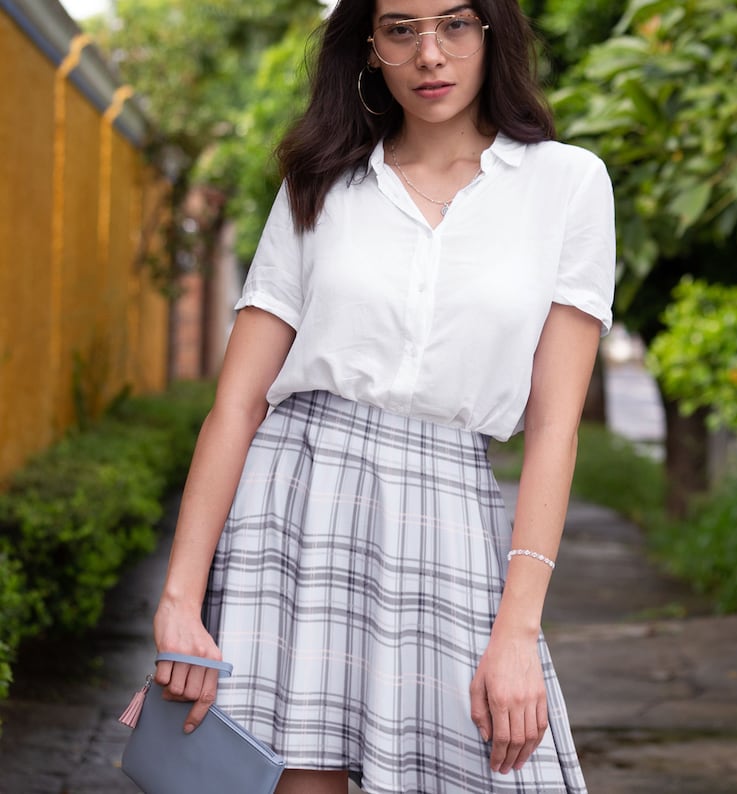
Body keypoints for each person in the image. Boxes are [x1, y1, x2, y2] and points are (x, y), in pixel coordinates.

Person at [152, 0, 615, 792]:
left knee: (492, 767)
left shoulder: (567, 186)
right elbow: (237, 403)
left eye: (455, 26)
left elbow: (553, 429)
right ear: (369, 48)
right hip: (294, 507)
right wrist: (178, 599)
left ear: (491, 35)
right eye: (402, 30)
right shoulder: (321, 183)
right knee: (294, 779)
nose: (430, 53)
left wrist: (519, 628)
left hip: (450, 515)